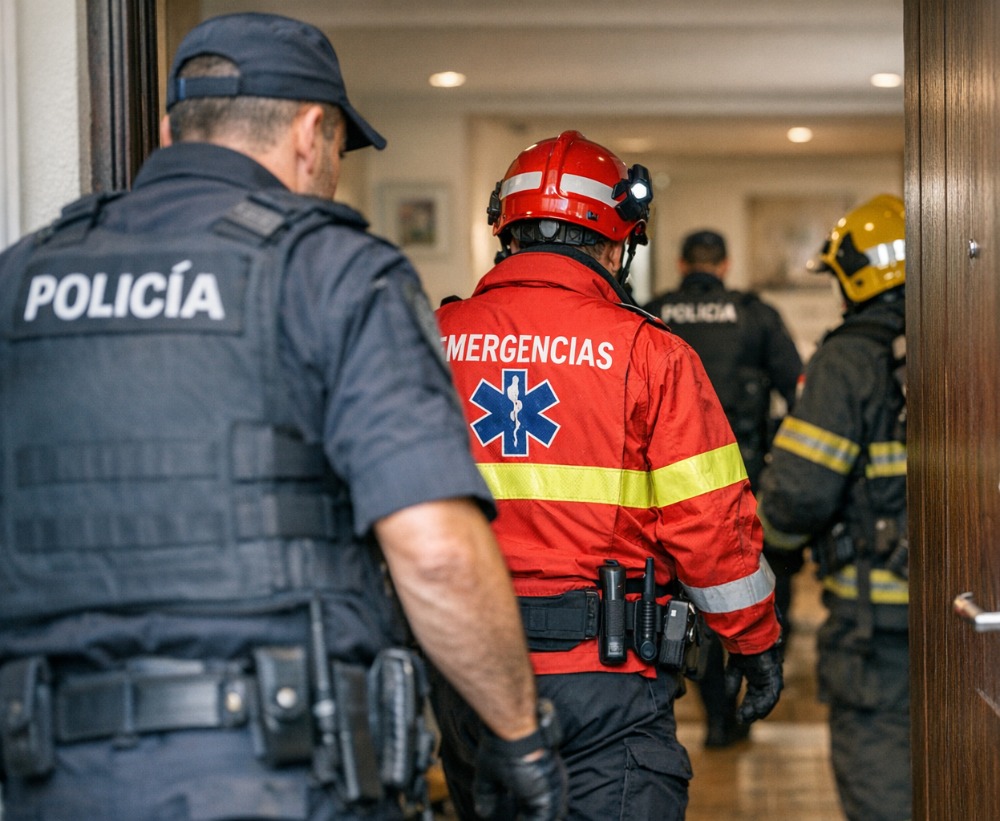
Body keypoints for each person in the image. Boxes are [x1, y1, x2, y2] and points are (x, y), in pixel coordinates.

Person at [0, 13, 566, 821]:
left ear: (169, 129)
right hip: (274, 766)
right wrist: (519, 736)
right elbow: (435, 551)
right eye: (339, 148)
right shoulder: (333, 270)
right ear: (311, 133)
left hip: (51, 773)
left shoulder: (23, 276)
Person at [433, 130, 783, 820]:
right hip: (604, 679)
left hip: (465, 673)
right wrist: (754, 640)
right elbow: (710, 526)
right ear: (618, 242)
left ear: (506, 228)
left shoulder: (432, 336)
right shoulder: (652, 353)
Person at [756, 194, 908, 821]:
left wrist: (776, 556)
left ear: (857, 274)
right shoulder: (970, 342)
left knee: (885, 788)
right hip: (974, 615)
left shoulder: (847, 360)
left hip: (878, 626)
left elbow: (797, 493)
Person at [643, 229, 803, 748]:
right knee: (744, 588)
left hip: (663, 491)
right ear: (725, 264)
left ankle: (712, 714)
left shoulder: (648, 314)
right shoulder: (755, 315)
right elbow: (797, 394)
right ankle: (748, 681)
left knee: (678, 602)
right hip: (744, 480)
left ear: (681, 262)